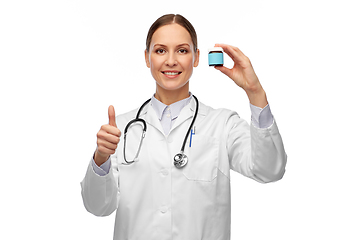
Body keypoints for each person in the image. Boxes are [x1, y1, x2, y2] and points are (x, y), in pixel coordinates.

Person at [81, 14, 287, 240]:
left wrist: (255, 91)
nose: (171, 61)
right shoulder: (121, 128)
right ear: (147, 58)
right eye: (160, 50)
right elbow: (98, 206)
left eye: (182, 50)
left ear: (196, 57)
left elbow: (270, 170)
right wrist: (101, 158)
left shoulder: (222, 124)